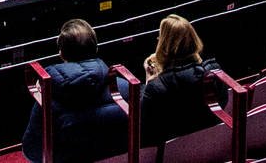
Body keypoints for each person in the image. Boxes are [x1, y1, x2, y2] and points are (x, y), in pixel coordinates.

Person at [19, 18, 128, 163]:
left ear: (61, 53)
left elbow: (32, 150)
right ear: (95, 49)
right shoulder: (125, 88)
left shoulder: (46, 100)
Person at [140, 16, 222, 145]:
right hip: (211, 143)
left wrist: (149, 81)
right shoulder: (214, 73)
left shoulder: (155, 88)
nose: (158, 40)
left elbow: (147, 131)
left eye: (160, 37)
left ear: (164, 45)